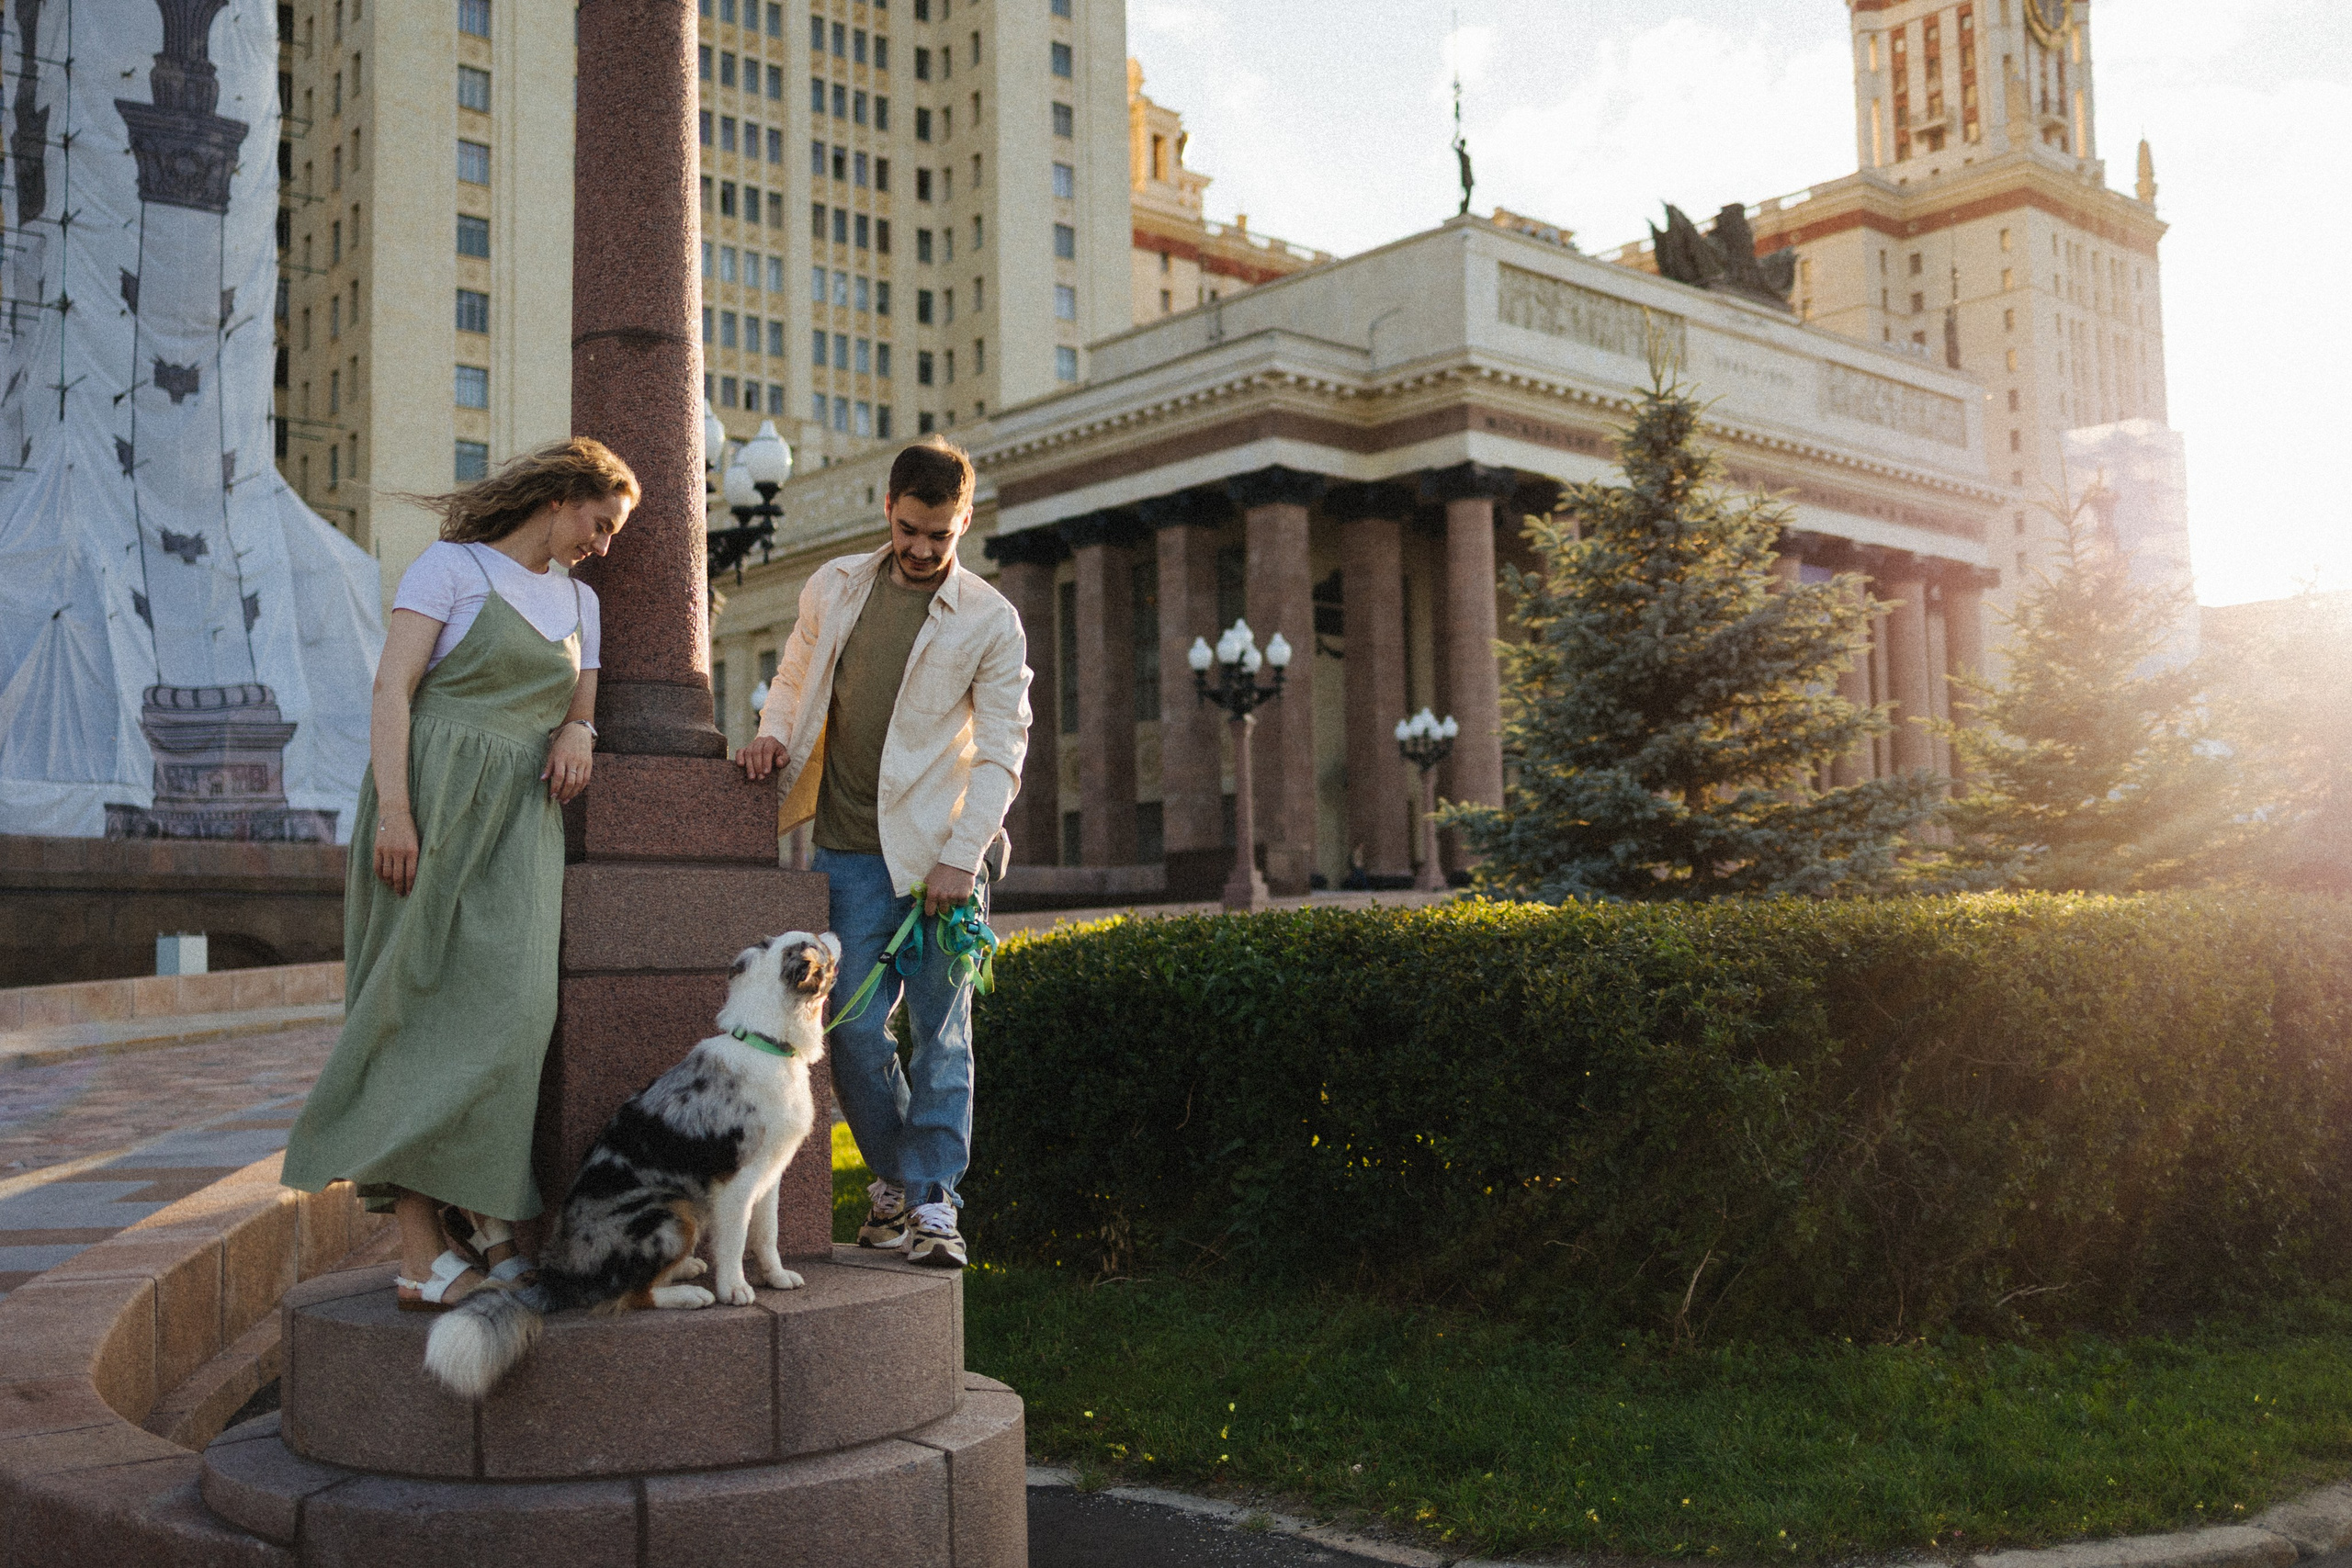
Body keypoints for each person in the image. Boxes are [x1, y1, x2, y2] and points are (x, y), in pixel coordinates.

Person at [282, 438, 639, 1310]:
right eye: (599, 523)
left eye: (614, 532)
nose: (603, 544)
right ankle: (418, 1253)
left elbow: (581, 709)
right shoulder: (450, 568)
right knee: (414, 1012)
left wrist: (579, 731)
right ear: (558, 498)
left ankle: (483, 1219)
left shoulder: (582, 602)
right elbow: (393, 690)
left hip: (520, 823)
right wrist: (396, 812)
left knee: (515, 1016)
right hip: (432, 802)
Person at [736, 436, 1031, 1269]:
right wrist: (770, 734)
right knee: (852, 1031)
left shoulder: (990, 620)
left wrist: (963, 857)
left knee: (942, 1037)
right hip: (847, 851)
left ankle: (933, 1201)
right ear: (889, 509)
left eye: (940, 534)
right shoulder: (835, 587)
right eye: (909, 530)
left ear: (963, 521)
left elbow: (1002, 752)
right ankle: (900, 1177)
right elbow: (793, 676)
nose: (923, 549)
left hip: (943, 859)